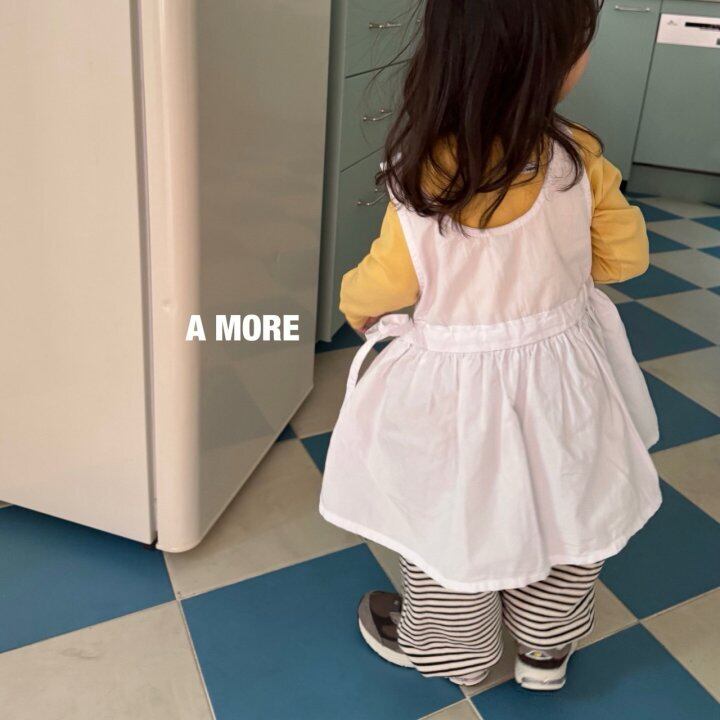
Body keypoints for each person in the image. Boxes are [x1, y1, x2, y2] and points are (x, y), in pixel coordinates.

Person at [319, 0, 661, 690]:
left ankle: (460, 655)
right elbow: (626, 260)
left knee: (454, 522)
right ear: (550, 64)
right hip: (565, 378)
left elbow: (385, 284)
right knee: (567, 505)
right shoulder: (578, 157)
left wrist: (355, 305)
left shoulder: (425, 171)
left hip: (458, 396)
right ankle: (546, 650)